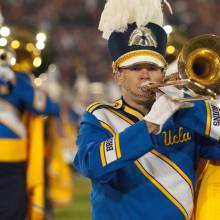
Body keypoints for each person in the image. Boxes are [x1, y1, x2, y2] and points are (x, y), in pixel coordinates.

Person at [73, 0, 220, 219]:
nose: (145, 75)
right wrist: (149, 124)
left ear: (163, 73)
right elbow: (91, 165)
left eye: (152, 68)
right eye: (135, 68)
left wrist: (195, 109)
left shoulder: (183, 112)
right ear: (118, 76)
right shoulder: (100, 116)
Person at [0, 46, 60, 220]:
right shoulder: (17, 80)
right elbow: (46, 106)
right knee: (12, 210)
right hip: (10, 157)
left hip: (11, 157)